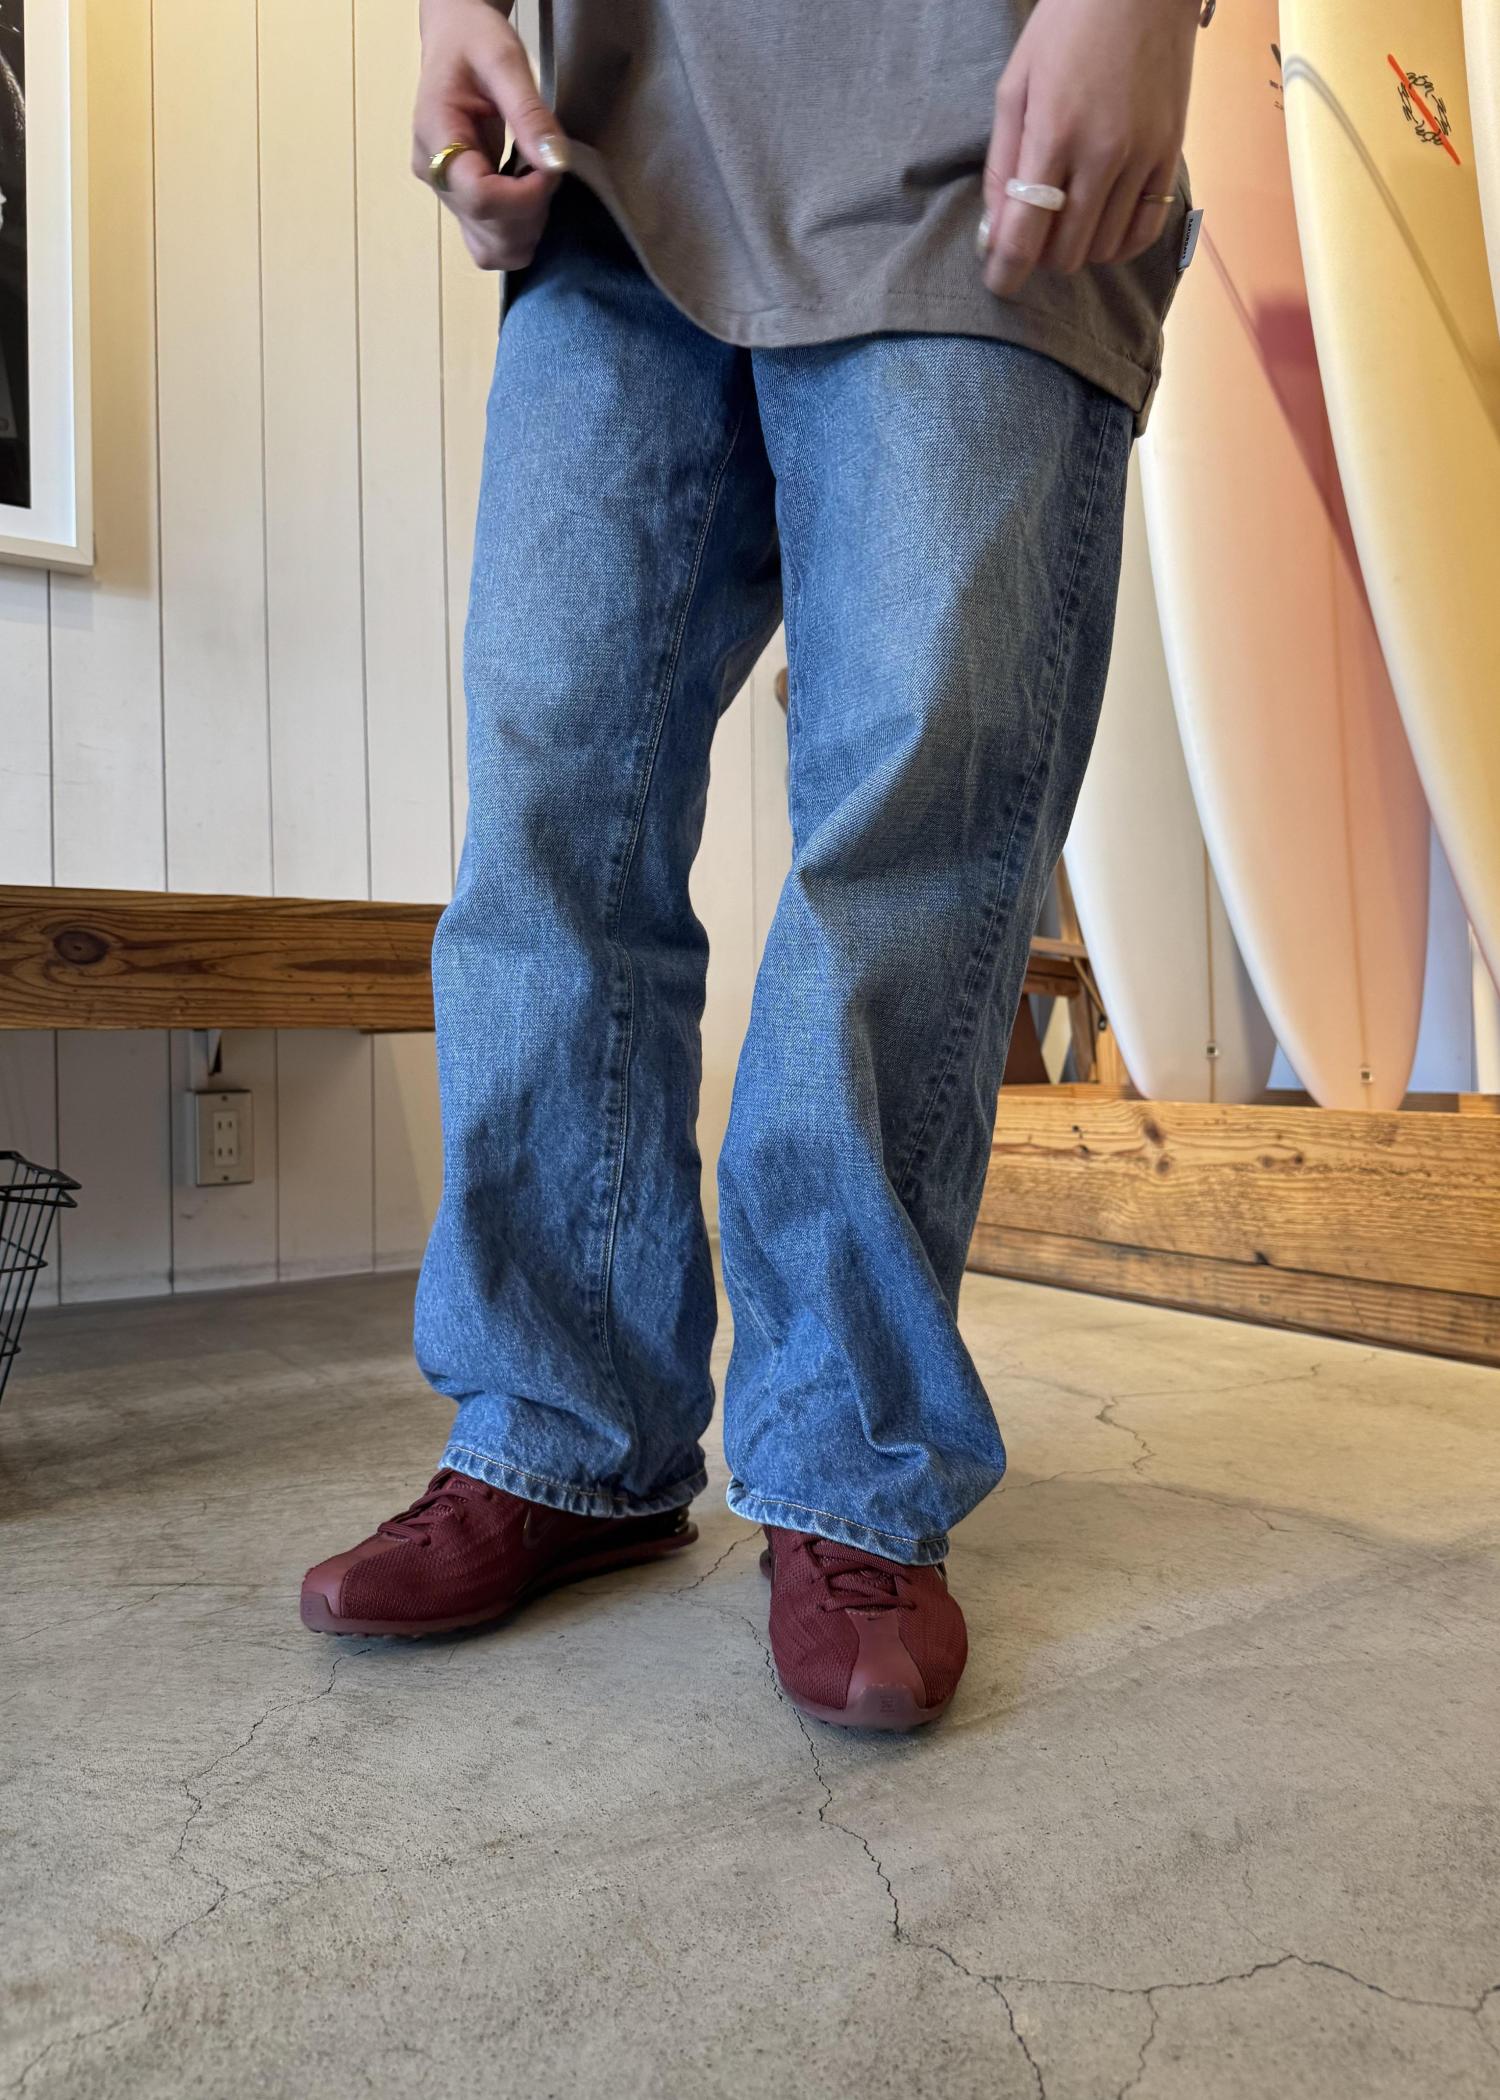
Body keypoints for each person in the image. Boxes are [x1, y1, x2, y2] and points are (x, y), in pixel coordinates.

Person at [302, 0, 1204, 1732]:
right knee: (551, 805)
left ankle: (847, 1458)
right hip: (617, 154)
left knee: (909, 825)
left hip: (969, 121)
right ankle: (563, 1431)